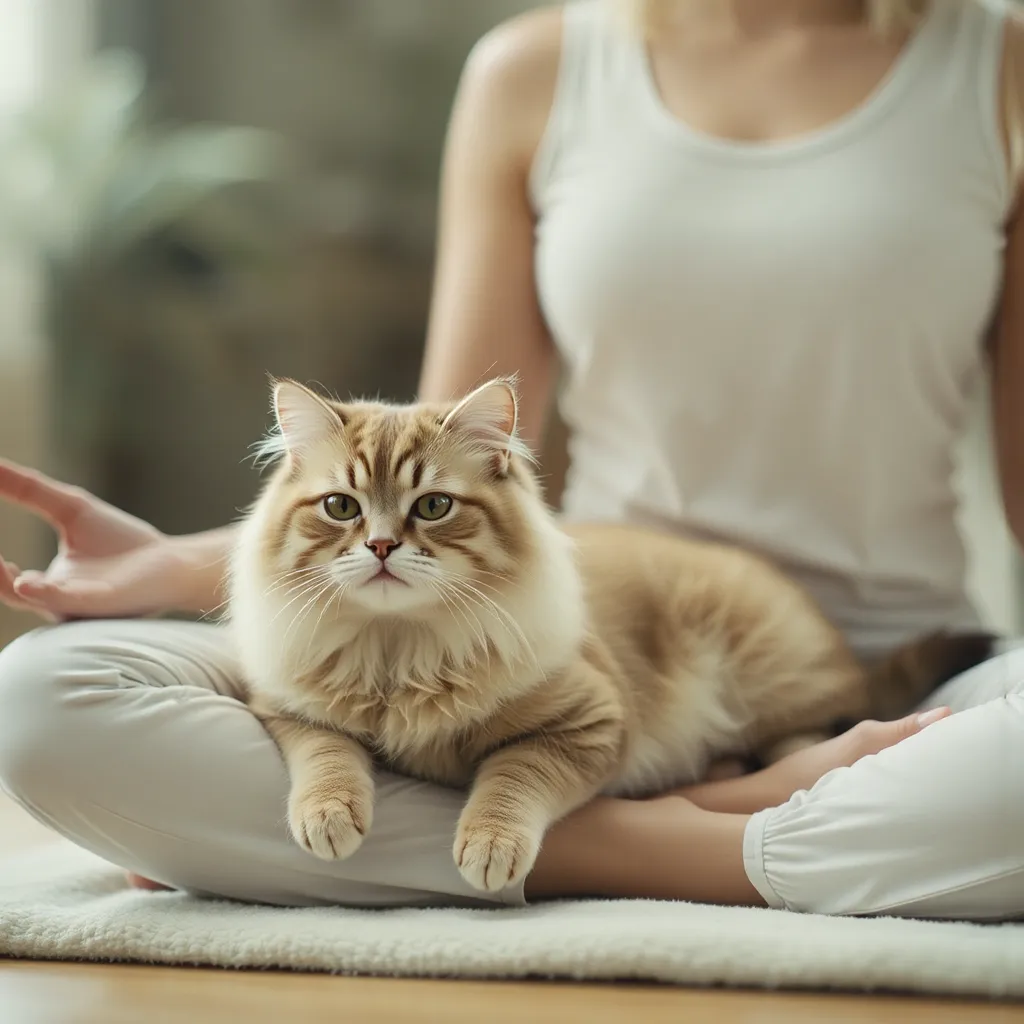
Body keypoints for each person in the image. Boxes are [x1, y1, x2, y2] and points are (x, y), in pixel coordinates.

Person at [1, 0, 1024, 919]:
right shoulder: (536, 69)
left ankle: (554, 841)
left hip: (899, 666)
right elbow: (426, 469)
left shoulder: (999, 65)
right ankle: (735, 833)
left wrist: (199, 823)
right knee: (45, 700)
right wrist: (187, 563)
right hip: (521, 625)